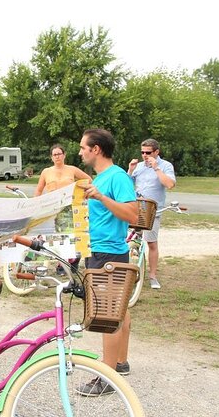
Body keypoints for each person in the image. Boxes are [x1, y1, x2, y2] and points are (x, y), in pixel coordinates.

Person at [77, 129, 138, 396]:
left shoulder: (117, 177)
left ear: (96, 149)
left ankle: (108, 376)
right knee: (120, 309)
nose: (80, 152)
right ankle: (120, 362)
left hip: (108, 254)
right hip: (100, 250)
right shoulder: (101, 177)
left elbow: (132, 214)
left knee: (107, 315)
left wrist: (101, 197)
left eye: (83, 148)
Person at [127, 138, 176, 289]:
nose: (145, 155)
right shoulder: (139, 166)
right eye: (142, 152)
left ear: (156, 152)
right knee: (131, 241)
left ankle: (153, 276)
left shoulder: (165, 165)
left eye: (148, 152)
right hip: (136, 208)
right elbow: (126, 184)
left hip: (153, 210)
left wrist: (156, 168)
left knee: (151, 243)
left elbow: (170, 184)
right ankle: (131, 271)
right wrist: (129, 170)